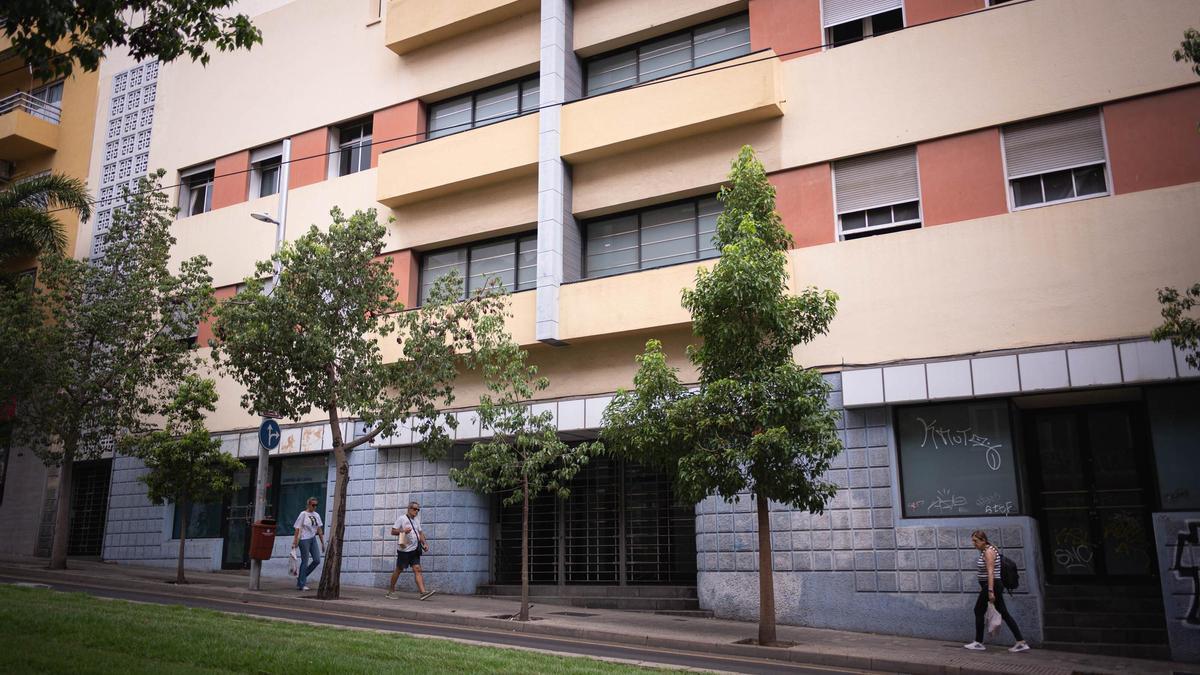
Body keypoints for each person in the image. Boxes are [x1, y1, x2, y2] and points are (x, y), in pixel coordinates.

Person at [964, 529, 1029, 652]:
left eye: (976, 541)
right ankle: (1021, 642)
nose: (974, 543)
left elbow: (991, 572)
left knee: (978, 610)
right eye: (973, 541)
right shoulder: (986, 550)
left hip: (992, 586)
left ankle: (978, 642)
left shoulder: (988, 551)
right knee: (1004, 613)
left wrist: (989, 591)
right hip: (992, 586)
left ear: (983, 540)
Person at [386, 500, 435, 600]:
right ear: (409, 509)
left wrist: (424, 543)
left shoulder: (416, 521)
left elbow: (420, 533)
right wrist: (403, 531)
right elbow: (393, 531)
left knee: (417, 569)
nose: (416, 511)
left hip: (415, 549)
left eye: (418, 509)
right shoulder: (402, 519)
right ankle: (390, 591)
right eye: (414, 509)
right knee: (399, 570)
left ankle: (423, 593)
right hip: (404, 550)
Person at [291, 497, 324, 592]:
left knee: (317, 560)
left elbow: (319, 529)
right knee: (305, 561)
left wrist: (322, 543)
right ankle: (301, 584)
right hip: (304, 539)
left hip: (313, 538)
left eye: (316, 505)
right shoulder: (303, 514)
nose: (315, 507)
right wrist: (294, 542)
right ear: (309, 505)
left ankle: (301, 577)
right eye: (313, 505)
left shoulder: (316, 515)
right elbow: (297, 528)